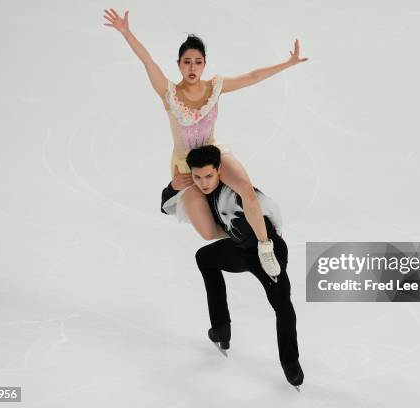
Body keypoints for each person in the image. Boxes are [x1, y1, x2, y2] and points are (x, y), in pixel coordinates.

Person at [103, 8, 309, 278]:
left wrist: (287, 63)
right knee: (206, 232)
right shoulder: (169, 94)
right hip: (186, 166)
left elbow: (252, 77)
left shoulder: (215, 87)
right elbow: (148, 62)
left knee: (246, 189)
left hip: (214, 154)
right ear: (179, 64)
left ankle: (264, 246)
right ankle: (238, 238)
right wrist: (127, 33)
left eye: (197, 62)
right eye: (187, 62)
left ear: (204, 64)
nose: (192, 67)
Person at [160, 145, 304, 389]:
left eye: (209, 176)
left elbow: (254, 204)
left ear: (219, 171)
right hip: (239, 251)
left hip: (268, 251)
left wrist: (265, 247)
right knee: (205, 258)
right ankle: (221, 329)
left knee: (282, 304)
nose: (204, 183)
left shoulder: (236, 192)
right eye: (197, 177)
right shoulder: (204, 193)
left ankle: (291, 363)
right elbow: (166, 205)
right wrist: (173, 186)